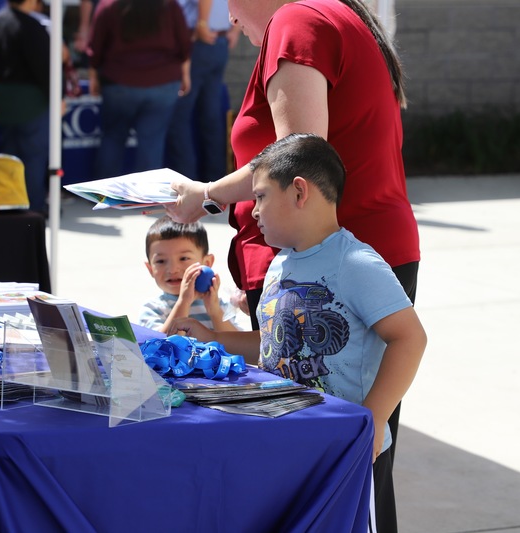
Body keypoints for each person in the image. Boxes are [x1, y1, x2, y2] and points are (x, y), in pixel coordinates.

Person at [165, 0, 418, 472]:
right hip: (330, 254)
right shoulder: (323, 17)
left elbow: (297, 154)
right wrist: (214, 333)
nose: (229, 18)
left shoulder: (297, 22)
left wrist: (206, 195)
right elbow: (278, 346)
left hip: (338, 259)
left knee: (339, 473)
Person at [170, 134, 427, 533]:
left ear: (299, 192)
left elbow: (410, 338)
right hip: (292, 442)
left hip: (343, 450)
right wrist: (210, 337)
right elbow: (273, 343)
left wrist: (373, 420)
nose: (251, 211)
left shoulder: (355, 261)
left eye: (259, 197)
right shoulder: (281, 262)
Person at [87, 0, 192, 178]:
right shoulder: (169, 5)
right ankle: (145, 199)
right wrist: (185, 74)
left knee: (113, 138)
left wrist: (93, 76)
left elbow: (95, 46)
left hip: (119, 81)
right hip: (162, 81)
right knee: (152, 142)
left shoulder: (108, 5)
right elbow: (184, 43)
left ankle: (103, 195)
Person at [0, 0, 54, 214]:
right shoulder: (32, 27)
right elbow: (45, 68)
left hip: (2, 101)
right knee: (32, 158)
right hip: (29, 103)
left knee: (9, 156)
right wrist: (57, 97)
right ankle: (33, 209)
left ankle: (10, 205)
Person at [165, 0, 241, 183]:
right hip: (218, 39)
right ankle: (214, 178)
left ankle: (186, 181)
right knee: (210, 116)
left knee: (179, 116)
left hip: (199, 40)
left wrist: (202, 23)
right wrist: (236, 29)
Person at [139, 215, 243, 333]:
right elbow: (161, 346)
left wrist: (215, 312)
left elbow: (236, 344)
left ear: (207, 263)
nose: (172, 269)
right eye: (160, 261)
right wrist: (183, 302)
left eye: (183, 258)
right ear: (150, 269)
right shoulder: (153, 310)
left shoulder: (219, 305)